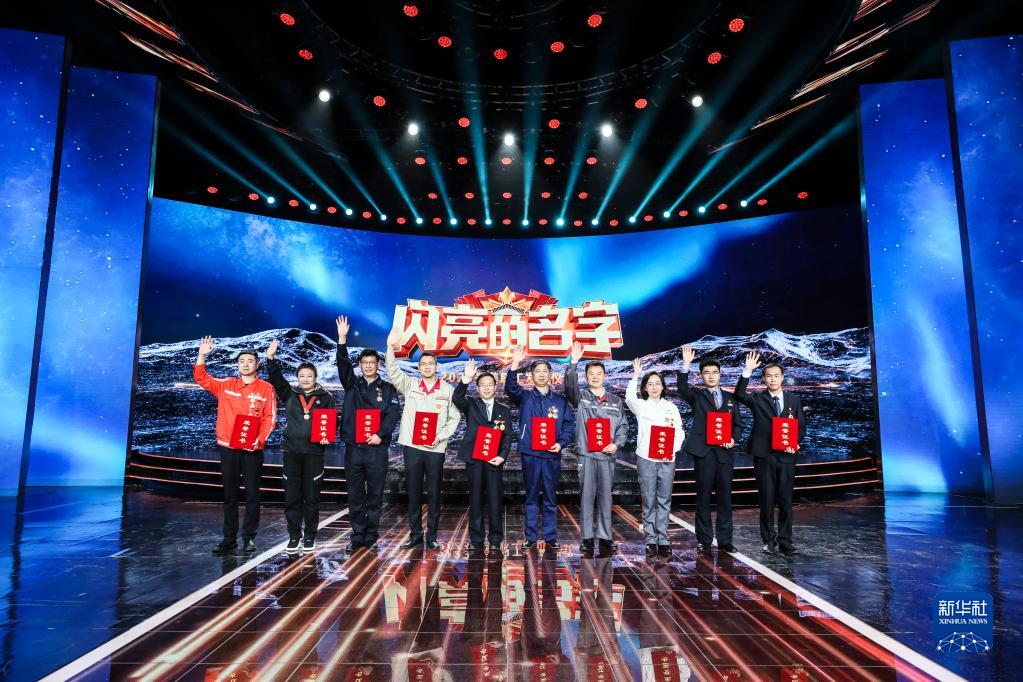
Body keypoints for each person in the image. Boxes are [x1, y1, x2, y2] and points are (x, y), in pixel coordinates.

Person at [193, 336, 277, 555]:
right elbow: (201, 378)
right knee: (229, 495)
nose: (246, 364)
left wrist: (259, 440)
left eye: (250, 361)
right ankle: (229, 539)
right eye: (242, 361)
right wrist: (202, 355)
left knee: (252, 495)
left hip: (252, 450)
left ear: (257, 365)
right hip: (228, 448)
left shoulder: (266, 388)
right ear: (238, 365)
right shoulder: (226, 385)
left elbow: (270, 418)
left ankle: (249, 538)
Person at [385, 329, 462, 551]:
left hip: (436, 448)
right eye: (423, 364)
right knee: (414, 492)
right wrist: (390, 348)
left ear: (436, 367)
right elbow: (392, 371)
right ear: (419, 368)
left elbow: (455, 417)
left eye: (431, 364)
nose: (427, 367)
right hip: (413, 447)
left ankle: (433, 536)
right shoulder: (410, 385)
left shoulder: (447, 390)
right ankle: (415, 535)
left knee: (434, 493)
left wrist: (440, 437)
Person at [335, 316, 401, 552]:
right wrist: (342, 339)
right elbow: (342, 365)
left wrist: (380, 435)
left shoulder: (388, 389)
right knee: (355, 494)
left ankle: (371, 536)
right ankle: (357, 535)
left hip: (376, 449)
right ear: (360, 365)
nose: (369, 366)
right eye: (365, 363)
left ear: (378, 365)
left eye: (372, 362)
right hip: (354, 448)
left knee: (374, 494)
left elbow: (392, 415)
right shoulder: (352, 384)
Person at [265, 339, 334, 555]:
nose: (305, 379)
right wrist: (270, 359)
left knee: (311, 498)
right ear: (297, 378)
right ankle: (294, 536)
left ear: (315, 378)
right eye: (302, 376)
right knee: (292, 497)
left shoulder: (326, 397)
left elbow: (331, 422)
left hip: (314, 453)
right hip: (292, 452)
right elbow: (276, 380)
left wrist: (327, 437)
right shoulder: (290, 394)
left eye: (309, 376)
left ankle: (310, 536)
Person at [733, 351, 806, 556]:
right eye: (769, 376)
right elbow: (739, 394)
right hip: (764, 455)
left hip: (786, 456)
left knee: (786, 500)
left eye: (776, 376)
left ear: (782, 378)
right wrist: (747, 370)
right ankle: (768, 541)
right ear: (764, 379)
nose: (773, 379)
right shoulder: (758, 398)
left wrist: (796, 443)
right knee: (766, 500)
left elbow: (801, 426)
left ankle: (785, 541)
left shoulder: (794, 400)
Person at [505, 347, 575, 551]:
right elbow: (510, 388)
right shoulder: (525, 396)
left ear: (550, 374)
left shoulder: (560, 401)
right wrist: (515, 363)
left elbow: (569, 425)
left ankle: (551, 536)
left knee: (551, 496)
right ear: (532, 375)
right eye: (538, 371)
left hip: (552, 454)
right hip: (531, 454)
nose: (542, 374)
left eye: (545, 371)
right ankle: (531, 537)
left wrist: (560, 443)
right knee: (531, 495)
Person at [564, 341, 629, 556]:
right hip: (587, 454)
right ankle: (587, 538)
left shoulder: (615, 401)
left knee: (606, 497)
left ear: (604, 376)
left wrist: (616, 444)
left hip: (607, 455)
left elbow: (623, 426)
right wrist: (573, 363)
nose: (594, 376)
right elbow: (569, 388)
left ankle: (605, 537)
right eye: (590, 373)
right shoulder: (581, 398)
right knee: (586, 496)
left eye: (598, 373)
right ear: (586, 377)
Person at [676, 346, 743, 553]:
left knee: (725, 498)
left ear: (720, 374)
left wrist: (733, 439)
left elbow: (738, 425)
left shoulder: (731, 398)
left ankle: (725, 541)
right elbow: (682, 388)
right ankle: (704, 540)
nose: (711, 376)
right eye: (707, 373)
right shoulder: (697, 396)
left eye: (715, 372)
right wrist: (686, 364)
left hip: (724, 454)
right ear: (701, 376)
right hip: (703, 453)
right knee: (703, 497)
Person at [624, 359, 684, 559]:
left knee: (664, 499)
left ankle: (663, 538)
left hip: (667, 458)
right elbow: (629, 397)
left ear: (663, 387)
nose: (654, 387)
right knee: (649, 499)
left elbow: (679, 432)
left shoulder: (671, 408)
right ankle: (651, 539)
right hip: (646, 458)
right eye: (650, 384)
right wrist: (635, 375)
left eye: (658, 383)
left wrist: (671, 450)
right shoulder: (641, 406)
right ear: (645, 388)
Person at [453, 359, 513, 555]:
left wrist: (502, 456)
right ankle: (476, 539)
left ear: (496, 387)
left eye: (490, 385)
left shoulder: (503, 410)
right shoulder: (471, 404)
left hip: (494, 460)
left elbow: (507, 436)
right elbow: (457, 398)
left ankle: (495, 539)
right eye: (482, 385)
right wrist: (465, 379)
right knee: (476, 499)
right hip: (474, 459)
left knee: (495, 500)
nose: (486, 388)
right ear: (477, 388)